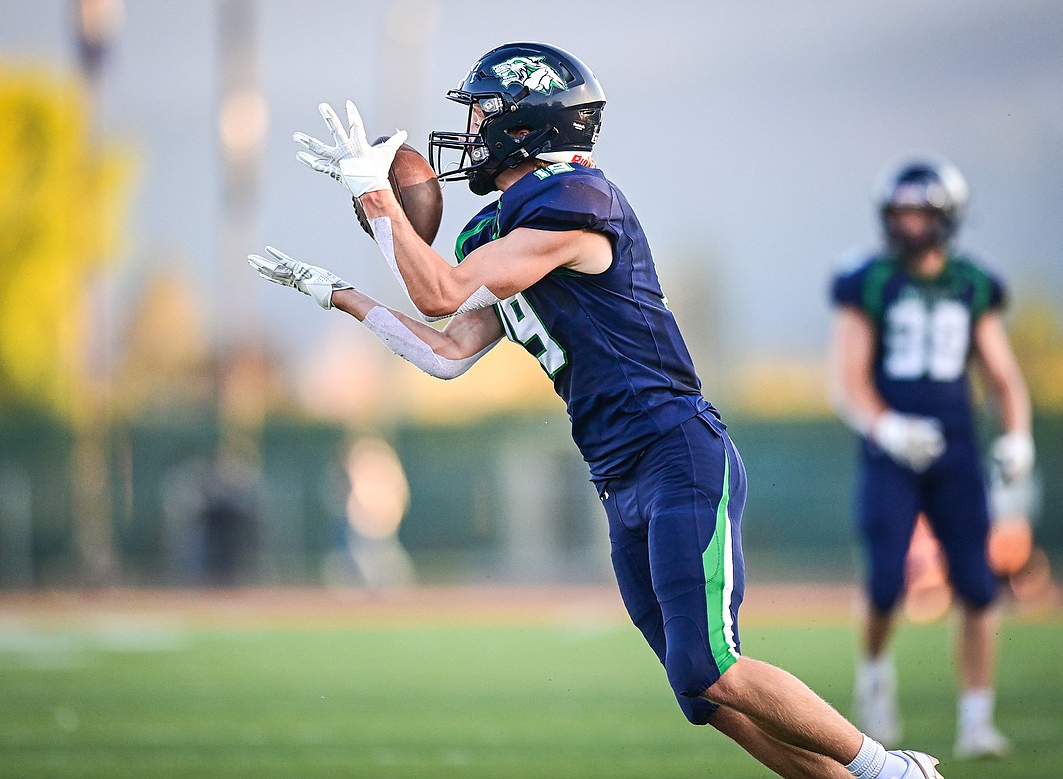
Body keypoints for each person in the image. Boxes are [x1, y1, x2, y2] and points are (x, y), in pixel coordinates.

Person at [252, 42, 944, 779]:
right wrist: (334, 291)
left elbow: (440, 291)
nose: (472, 127)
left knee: (713, 660)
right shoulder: (502, 231)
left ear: (528, 125)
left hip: (676, 452)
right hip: (619, 476)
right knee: (701, 691)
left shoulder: (578, 202)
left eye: (484, 110)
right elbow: (446, 349)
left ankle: (893, 770)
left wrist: (377, 197)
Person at [828, 156, 1034, 760]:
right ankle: (874, 680)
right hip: (891, 451)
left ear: (946, 218)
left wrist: (1018, 435)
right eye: (900, 213)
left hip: (956, 449)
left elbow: (1004, 378)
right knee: (888, 580)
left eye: (921, 212)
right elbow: (847, 378)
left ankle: (976, 720)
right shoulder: (868, 279)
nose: (910, 225)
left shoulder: (972, 284)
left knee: (977, 582)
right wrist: (886, 427)